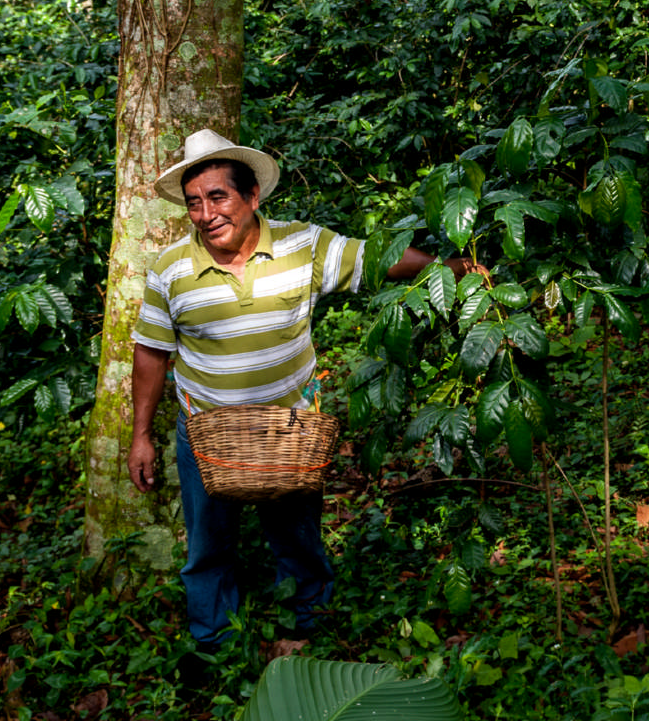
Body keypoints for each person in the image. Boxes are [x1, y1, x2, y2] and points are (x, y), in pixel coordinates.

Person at [125, 128, 479, 654]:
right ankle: (215, 643)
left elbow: (375, 259)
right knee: (207, 545)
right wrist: (141, 436)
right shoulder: (170, 270)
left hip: (285, 428)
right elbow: (152, 354)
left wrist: (456, 270)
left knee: (296, 536)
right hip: (204, 431)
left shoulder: (301, 244)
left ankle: (307, 624)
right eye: (194, 203)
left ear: (252, 197)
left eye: (218, 197)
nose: (206, 214)